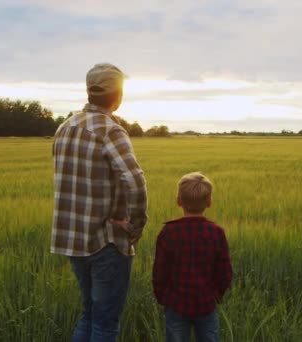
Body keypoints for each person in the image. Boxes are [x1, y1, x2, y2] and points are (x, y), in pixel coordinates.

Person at [51, 63, 148, 342]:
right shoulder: (110, 130)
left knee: (90, 313)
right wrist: (136, 225)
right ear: (117, 96)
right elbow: (135, 180)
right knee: (105, 322)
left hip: (73, 241)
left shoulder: (65, 127)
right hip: (106, 240)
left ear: (89, 91)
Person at [152, 172, 232, 342]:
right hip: (206, 305)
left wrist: (163, 298)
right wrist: (216, 296)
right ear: (209, 202)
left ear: (178, 201)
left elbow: (159, 273)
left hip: (176, 305)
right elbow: (225, 273)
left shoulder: (167, 233)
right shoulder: (217, 233)